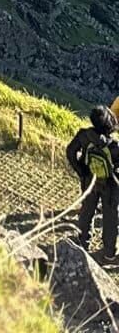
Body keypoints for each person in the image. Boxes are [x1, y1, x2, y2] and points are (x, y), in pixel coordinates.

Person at [70, 109, 119, 263]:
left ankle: (82, 243)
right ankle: (109, 253)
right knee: (110, 219)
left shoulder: (84, 135)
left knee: (86, 212)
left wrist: (81, 171)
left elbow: (70, 152)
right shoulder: (115, 146)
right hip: (110, 187)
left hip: (89, 181)